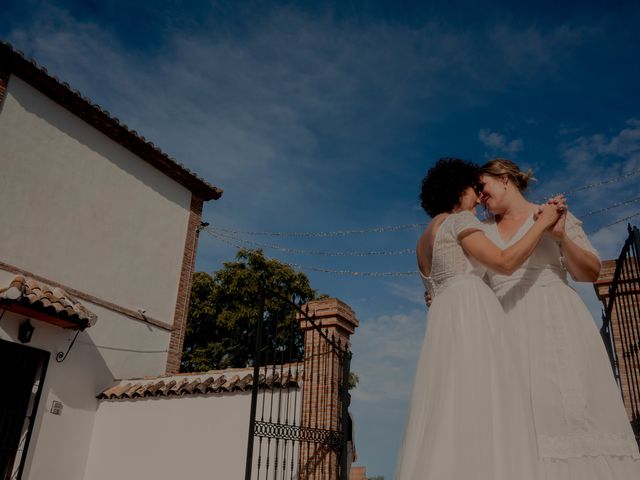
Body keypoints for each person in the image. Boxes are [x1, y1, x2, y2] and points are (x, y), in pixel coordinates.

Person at [396, 158, 561, 480]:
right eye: (475, 188)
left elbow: (432, 292)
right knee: (487, 397)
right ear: (460, 189)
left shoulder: (422, 240)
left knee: (451, 403)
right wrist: (542, 224)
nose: (479, 196)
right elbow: (504, 262)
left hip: (444, 319)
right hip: (472, 311)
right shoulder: (458, 222)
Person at [479, 158, 640, 478]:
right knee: (521, 418)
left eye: (483, 187)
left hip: (556, 322)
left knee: (572, 409)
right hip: (507, 329)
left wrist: (561, 236)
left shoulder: (551, 213)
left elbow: (589, 272)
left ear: (505, 178)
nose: (480, 197)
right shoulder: (482, 233)